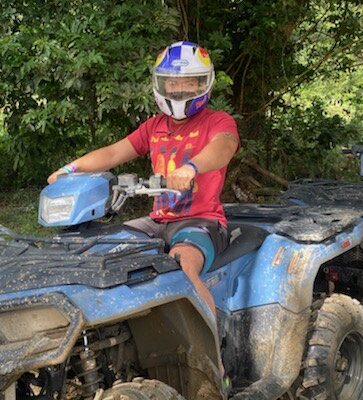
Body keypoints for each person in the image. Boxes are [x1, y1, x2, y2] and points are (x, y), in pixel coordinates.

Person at [47, 41, 239, 316]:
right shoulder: (154, 126)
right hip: (156, 221)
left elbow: (224, 147)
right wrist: (69, 170)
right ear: (160, 86)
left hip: (201, 221)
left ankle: (215, 353)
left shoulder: (217, 121)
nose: (179, 89)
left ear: (203, 85)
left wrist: (191, 168)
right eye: (172, 83)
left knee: (183, 268)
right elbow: (114, 153)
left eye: (189, 82)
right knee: (97, 251)